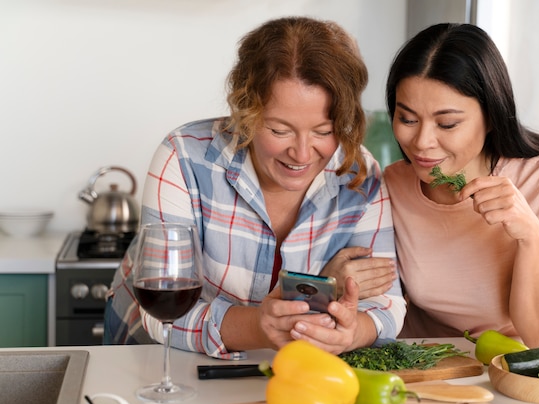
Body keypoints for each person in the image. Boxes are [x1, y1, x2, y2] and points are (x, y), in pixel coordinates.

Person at [105, 16, 406, 359]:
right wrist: (261, 324)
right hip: (150, 356)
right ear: (246, 111)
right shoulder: (186, 158)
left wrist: (352, 333)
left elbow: (386, 305)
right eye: (280, 130)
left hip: (271, 368)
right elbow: (161, 313)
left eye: (323, 131)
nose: (303, 154)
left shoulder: (360, 175)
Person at [383, 23, 539, 348]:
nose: (422, 142)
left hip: (508, 369)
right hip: (421, 369)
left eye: (447, 123)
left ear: (492, 116)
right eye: (408, 119)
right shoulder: (391, 185)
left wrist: (529, 235)